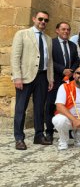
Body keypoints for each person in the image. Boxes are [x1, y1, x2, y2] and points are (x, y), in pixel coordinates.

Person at [11, 11, 54, 150]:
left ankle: (39, 135)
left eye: (46, 20)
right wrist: (17, 76)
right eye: (40, 19)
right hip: (25, 77)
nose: (43, 22)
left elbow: (50, 61)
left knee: (39, 107)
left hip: (42, 77)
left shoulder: (48, 39)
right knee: (20, 108)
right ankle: (19, 138)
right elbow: (15, 57)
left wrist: (50, 78)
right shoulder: (22, 34)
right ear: (34, 19)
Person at [46, 22, 80, 142]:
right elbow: (49, 60)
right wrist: (62, 70)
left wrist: (71, 71)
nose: (66, 31)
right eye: (63, 29)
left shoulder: (72, 45)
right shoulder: (51, 43)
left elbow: (76, 60)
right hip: (55, 79)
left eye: (68, 29)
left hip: (69, 81)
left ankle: (69, 130)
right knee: (50, 105)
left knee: (69, 106)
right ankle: (49, 132)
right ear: (57, 30)